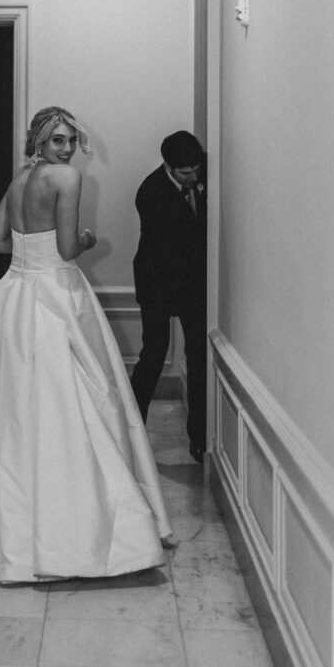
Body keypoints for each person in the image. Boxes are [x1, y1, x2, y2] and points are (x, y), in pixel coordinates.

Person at [0, 106, 172, 583]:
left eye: (69, 140)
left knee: (6, 409)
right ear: (39, 142)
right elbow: (66, 249)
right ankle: (76, 529)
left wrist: (30, 249)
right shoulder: (66, 178)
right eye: (57, 140)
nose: (65, 149)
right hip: (56, 293)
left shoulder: (20, 181)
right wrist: (85, 238)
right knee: (73, 403)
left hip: (15, 293)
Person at [130, 131, 207, 462]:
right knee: (153, 356)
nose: (193, 177)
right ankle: (132, 432)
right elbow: (175, 245)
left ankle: (199, 441)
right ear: (168, 166)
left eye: (196, 170)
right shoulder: (150, 192)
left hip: (191, 286)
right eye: (186, 172)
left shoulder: (198, 185)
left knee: (199, 357)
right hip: (158, 282)